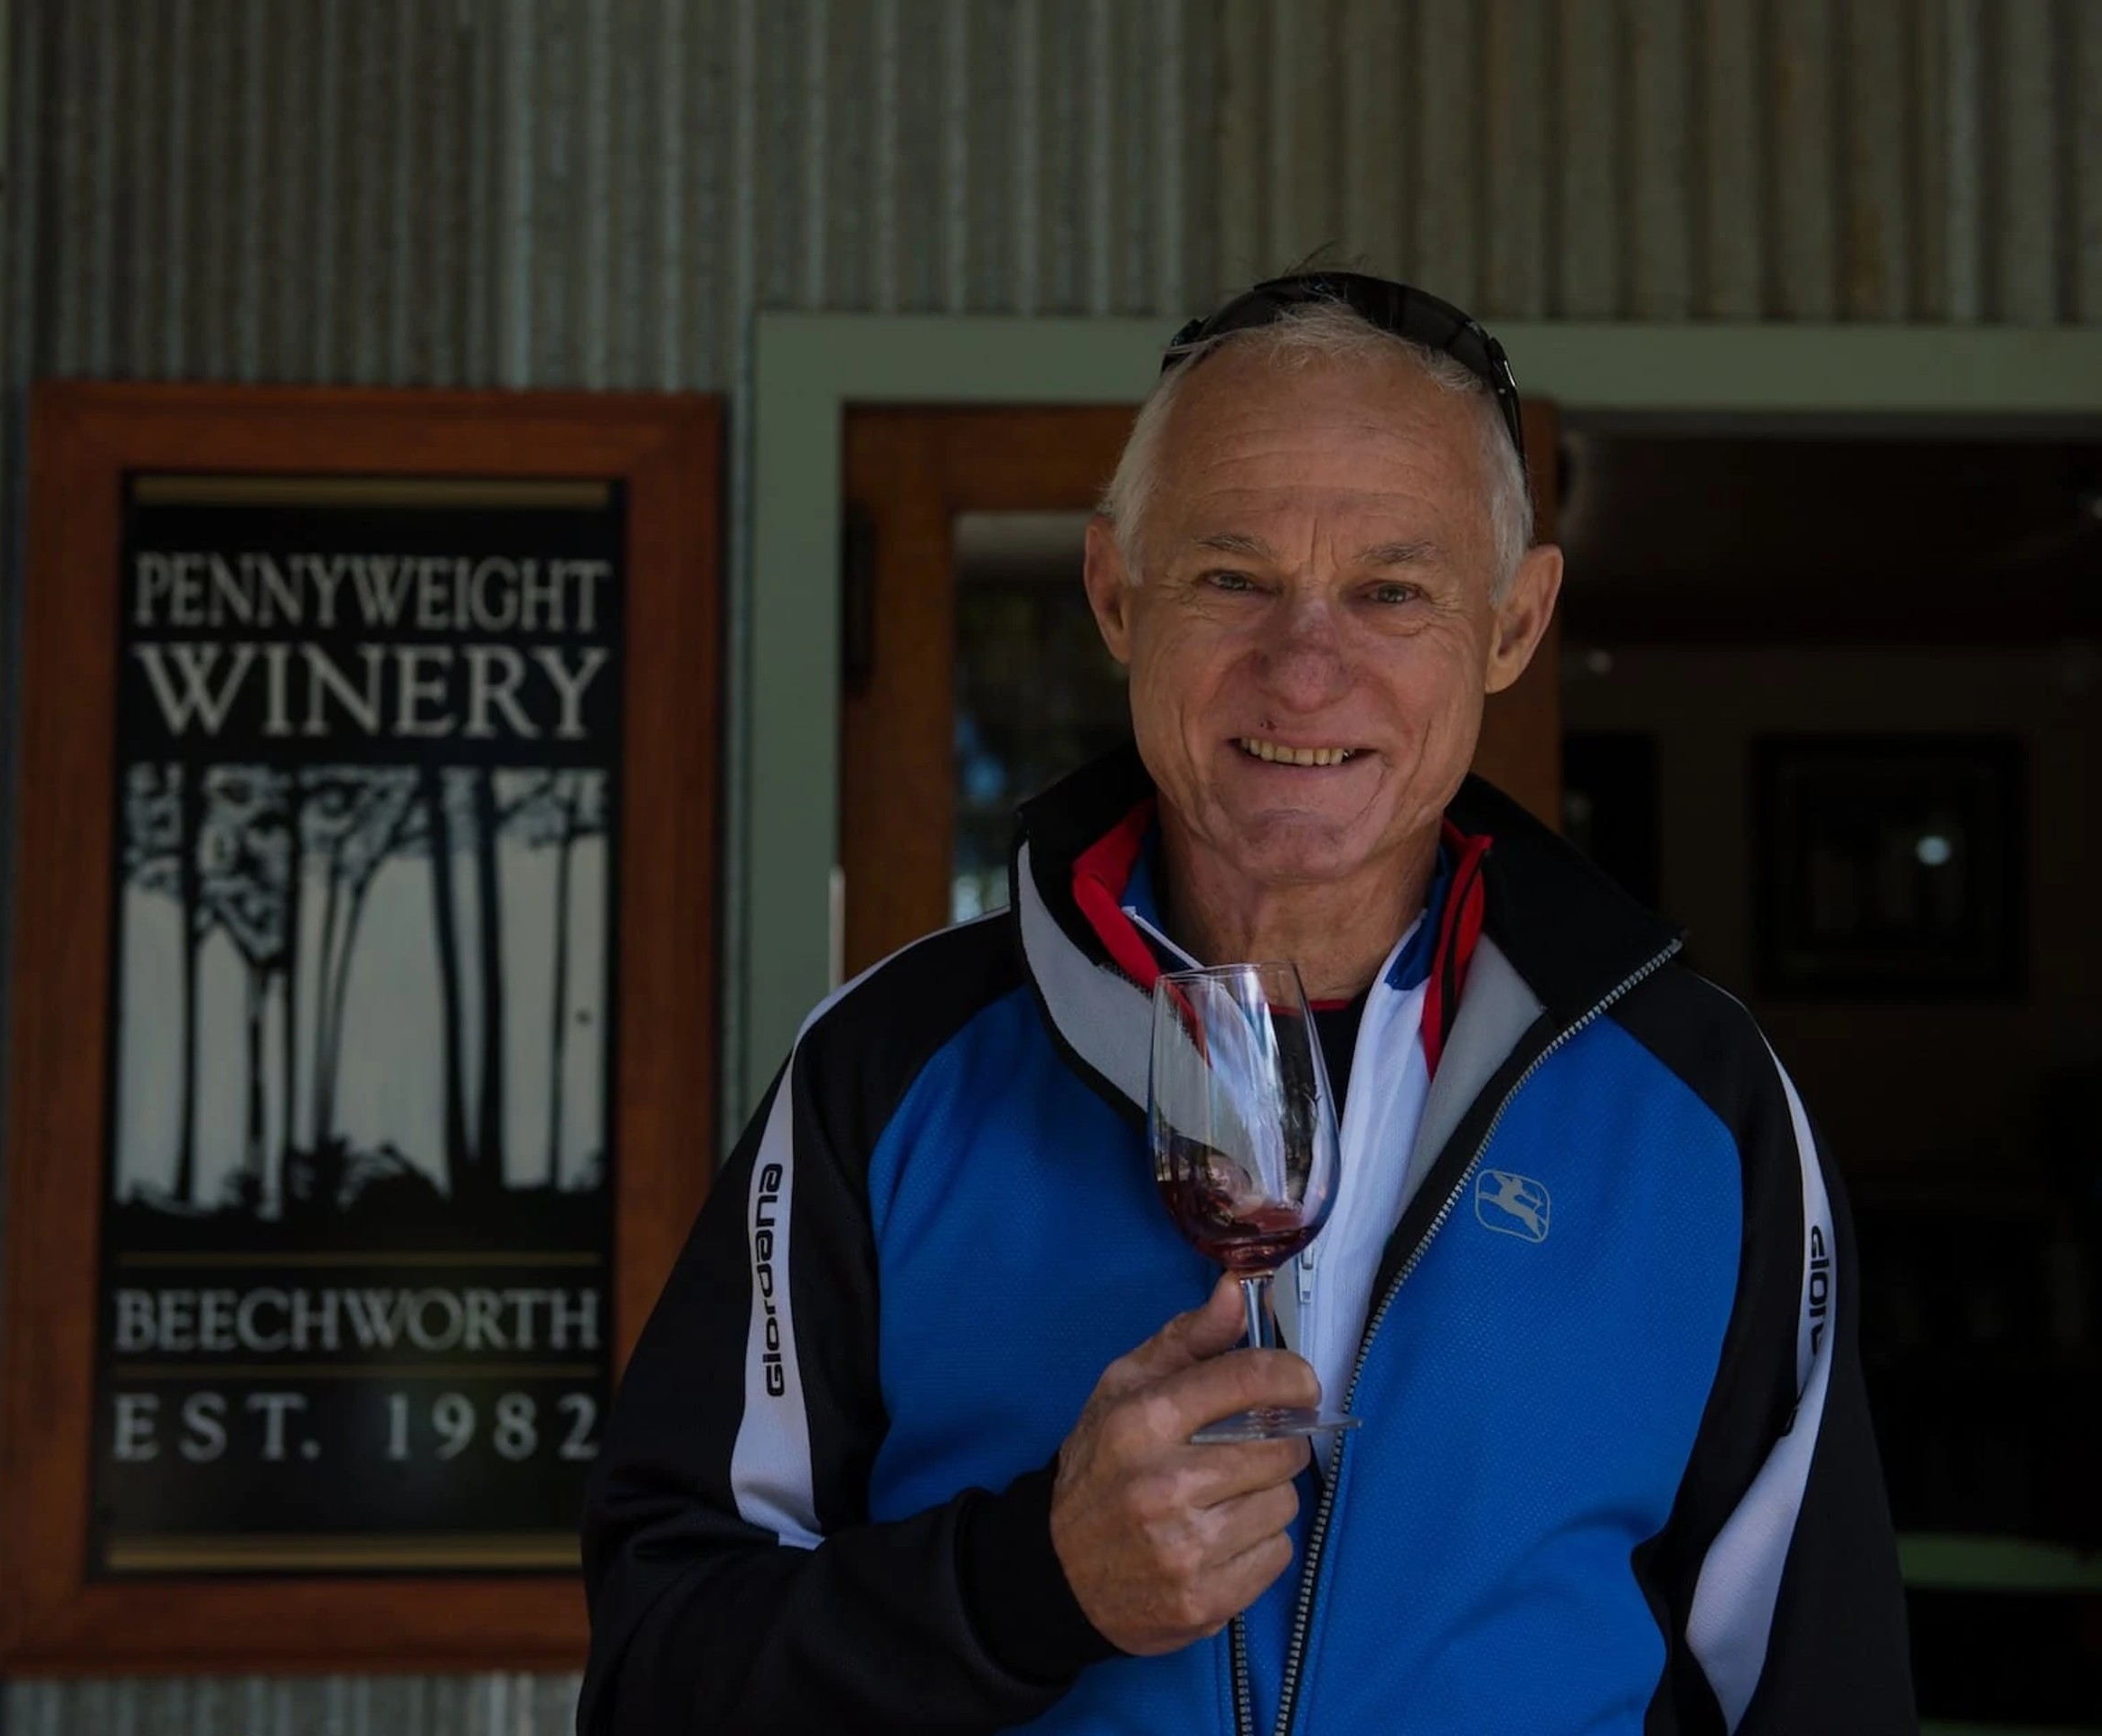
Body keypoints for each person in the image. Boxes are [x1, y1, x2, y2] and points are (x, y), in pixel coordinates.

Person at [578, 272, 1917, 1734]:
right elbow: (657, 1675)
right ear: (1114, 594)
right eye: (1232, 575)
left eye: (1392, 590)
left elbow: (1816, 1686)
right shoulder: (889, 1074)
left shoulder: (1699, 1108)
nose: (1305, 667)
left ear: (1514, 624)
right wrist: (1025, 1585)